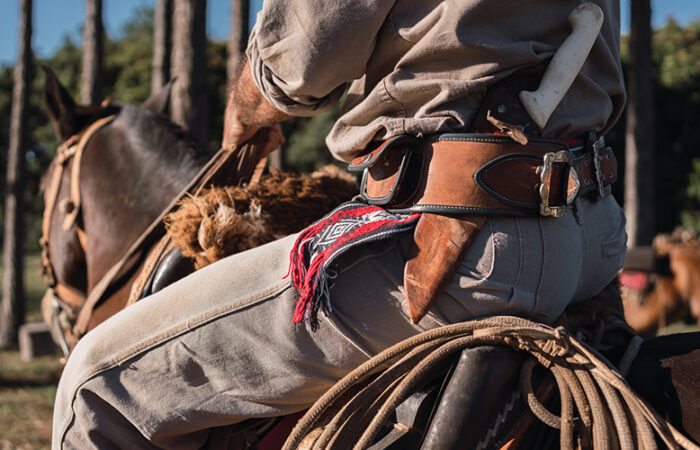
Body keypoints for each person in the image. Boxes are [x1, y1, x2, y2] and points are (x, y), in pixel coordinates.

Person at [52, 0, 627, 447]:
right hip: (593, 233)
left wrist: (249, 105)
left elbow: (308, 46)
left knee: (97, 387)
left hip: (462, 243)